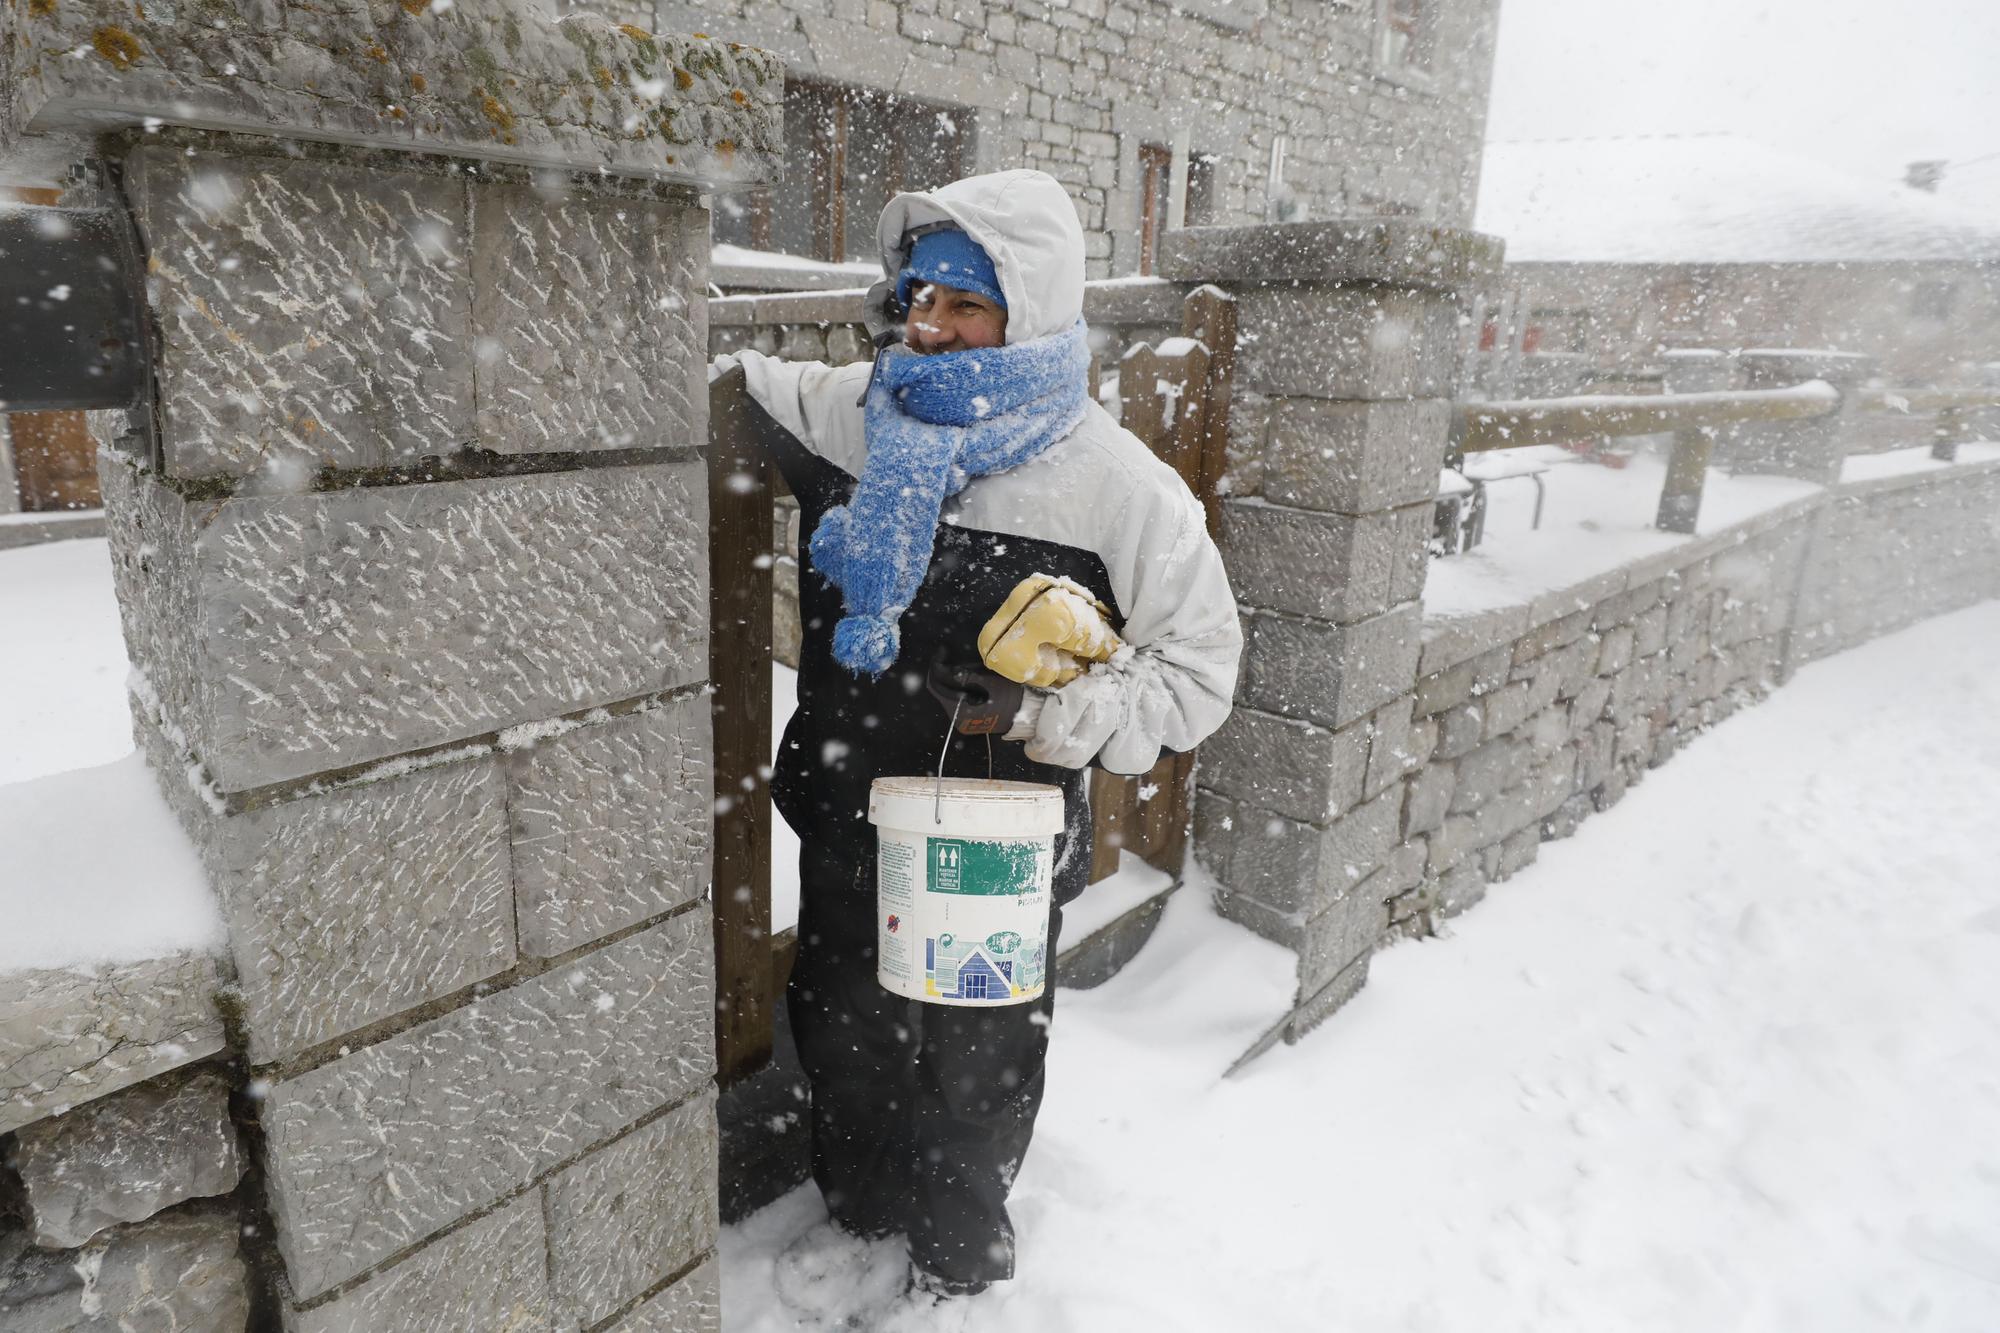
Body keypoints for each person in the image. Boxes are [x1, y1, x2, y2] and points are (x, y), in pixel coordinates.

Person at [713, 168, 1241, 1297]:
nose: (929, 327)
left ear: (1028, 308)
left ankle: (960, 1261)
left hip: (990, 834)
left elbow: (1200, 675)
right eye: (917, 298)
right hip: (853, 808)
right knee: (843, 1021)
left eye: (963, 305)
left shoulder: (1115, 489)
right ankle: (858, 1214)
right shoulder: (863, 413)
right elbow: (740, 381)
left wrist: (1042, 713)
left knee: (974, 1059)